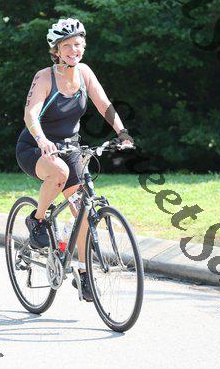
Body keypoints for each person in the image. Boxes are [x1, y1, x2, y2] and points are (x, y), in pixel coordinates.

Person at [15, 18, 134, 301]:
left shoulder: (84, 73)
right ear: (56, 50)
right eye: (66, 46)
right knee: (58, 172)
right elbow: (31, 114)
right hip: (35, 147)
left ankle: (84, 273)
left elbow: (104, 104)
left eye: (77, 45)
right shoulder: (45, 77)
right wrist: (42, 140)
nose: (73, 50)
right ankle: (37, 220)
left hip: (70, 148)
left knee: (82, 208)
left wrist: (122, 132)